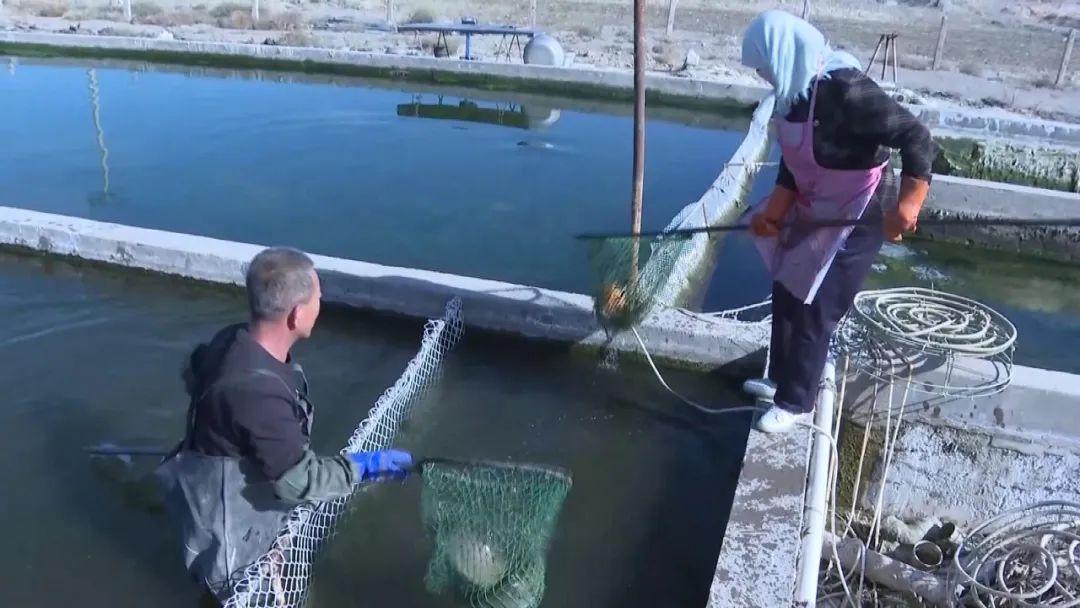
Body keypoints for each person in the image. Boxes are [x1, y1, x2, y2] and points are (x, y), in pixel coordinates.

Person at [155, 247, 413, 604]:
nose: (321, 305)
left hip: (204, 491)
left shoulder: (232, 338)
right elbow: (300, 482)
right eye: (318, 299)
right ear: (296, 315)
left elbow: (194, 371)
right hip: (232, 545)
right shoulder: (258, 393)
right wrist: (364, 467)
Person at [740, 10, 935, 433]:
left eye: (762, 64)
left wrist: (909, 204)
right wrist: (773, 213)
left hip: (857, 212)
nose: (761, 73)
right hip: (814, 205)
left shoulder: (845, 90)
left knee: (816, 303)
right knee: (788, 286)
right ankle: (780, 381)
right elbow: (795, 163)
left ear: (780, 54)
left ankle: (796, 403)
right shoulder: (793, 97)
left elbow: (916, 136)